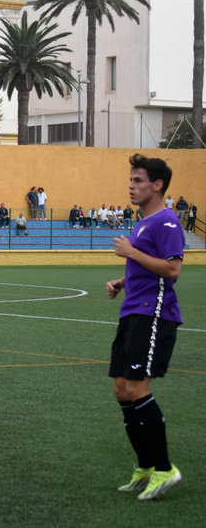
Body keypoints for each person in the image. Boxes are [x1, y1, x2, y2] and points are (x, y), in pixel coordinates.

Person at [105, 154, 184, 501]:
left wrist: (131, 253)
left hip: (153, 315)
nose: (131, 186)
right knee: (122, 389)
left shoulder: (166, 222)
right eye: (131, 180)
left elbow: (172, 270)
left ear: (157, 185)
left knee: (137, 390)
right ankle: (146, 467)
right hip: (133, 310)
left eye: (138, 181)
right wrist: (124, 279)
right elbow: (150, 268)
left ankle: (165, 469)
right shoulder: (143, 223)